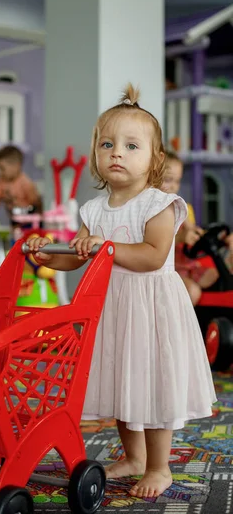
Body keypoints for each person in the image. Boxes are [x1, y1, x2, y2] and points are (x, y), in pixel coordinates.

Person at [27, 84, 216, 499]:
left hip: (152, 307)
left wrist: (105, 247)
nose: (117, 153)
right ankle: (132, 458)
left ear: (154, 160)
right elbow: (76, 256)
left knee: (153, 384)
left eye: (132, 146)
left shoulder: (159, 204)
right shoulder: (94, 210)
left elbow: (152, 256)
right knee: (122, 381)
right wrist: (48, 256)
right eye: (108, 144)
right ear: (96, 152)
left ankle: (160, 466)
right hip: (112, 307)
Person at [162, 151, 233, 305]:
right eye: (168, 180)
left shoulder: (183, 208)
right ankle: (182, 327)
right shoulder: (154, 211)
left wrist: (218, 238)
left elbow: (193, 231)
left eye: (177, 181)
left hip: (189, 264)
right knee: (193, 291)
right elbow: (155, 242)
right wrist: (181, 237)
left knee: (221, 274)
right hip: (169, 268)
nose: (173, 186)